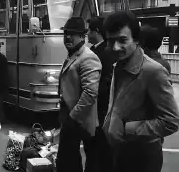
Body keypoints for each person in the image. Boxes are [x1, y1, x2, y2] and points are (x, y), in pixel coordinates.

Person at [103, 11, 179, 172]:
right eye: (111, 41)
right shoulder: (119, 65)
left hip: (142, 157)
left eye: (122, 40)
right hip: (119, 151)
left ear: (136, 39)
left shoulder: (153, 71)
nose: (115, 47)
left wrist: (127, 129)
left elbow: (171, 121)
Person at [56, 17, 101, 172]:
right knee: (67, 159)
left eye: (73, 34)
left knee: (68, 161)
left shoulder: (88, 57)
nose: (68, 37)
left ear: (82, 36)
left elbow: (90, 93)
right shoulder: (72, 54)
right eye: (66, 33)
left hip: (78, 120)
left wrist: (72, 118)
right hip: (69, 118)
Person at [87, 17, 114, 172]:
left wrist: (92, 92)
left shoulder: (106, 51)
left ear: (96, 32)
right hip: (95, 108)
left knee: (99, 150)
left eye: (89, 30)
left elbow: (106, 81)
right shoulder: (95, 50)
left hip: (100, 108)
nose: (87, 34)